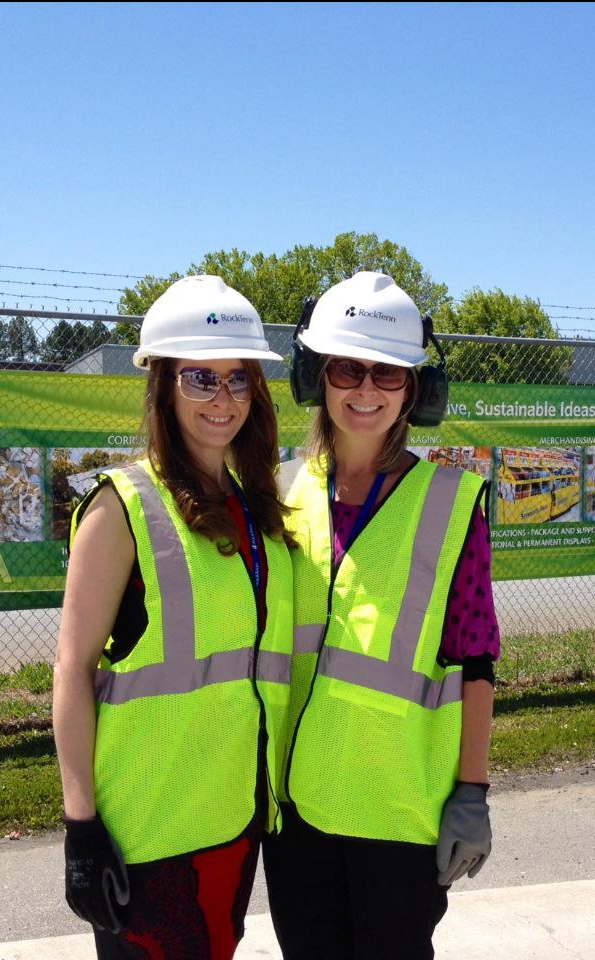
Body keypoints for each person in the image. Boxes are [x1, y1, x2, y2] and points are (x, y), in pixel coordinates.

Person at [53, 274, 294, 960]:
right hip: (148, 837)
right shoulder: (120, 507)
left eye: (238, 379)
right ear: (162, 385)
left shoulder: (254, 511)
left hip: (231, 826)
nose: (222, 400)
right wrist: (81, 827)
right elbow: (71, 668)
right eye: (199, 378)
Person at [263, 271, 500, 960]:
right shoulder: (280, 489)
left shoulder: (450, 504)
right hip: (295, 809)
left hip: (399, 815)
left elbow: (476, 657)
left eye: (389, 373)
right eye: (347, 368)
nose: (366, 390)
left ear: (415, 390)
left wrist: (472, 792)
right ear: (316, 375)